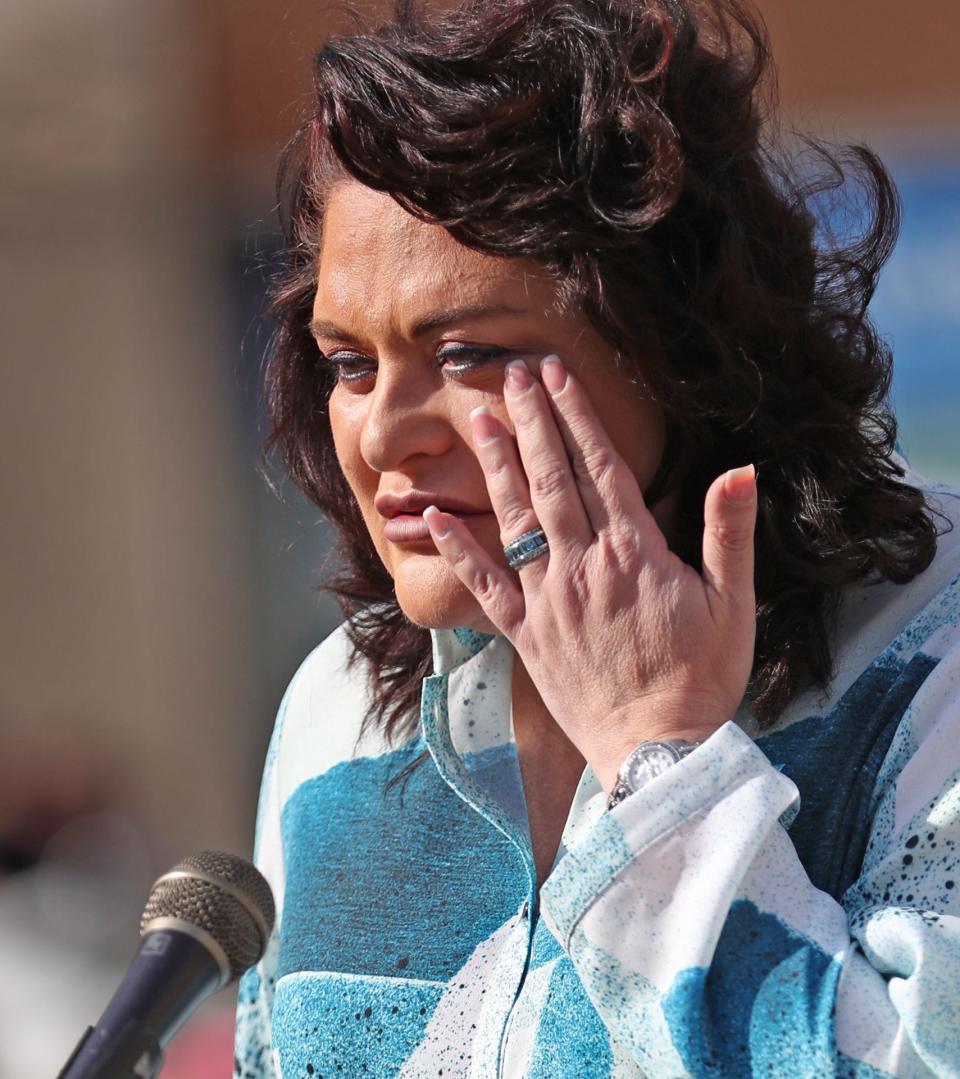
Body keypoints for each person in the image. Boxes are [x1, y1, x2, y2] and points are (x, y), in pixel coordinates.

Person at [234, 0, 960, 1075]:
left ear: (679, 349)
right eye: (348, 363)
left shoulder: (931, 653)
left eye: (471, 352)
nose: (384, 431)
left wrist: (660, 761)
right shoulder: (335, 715)